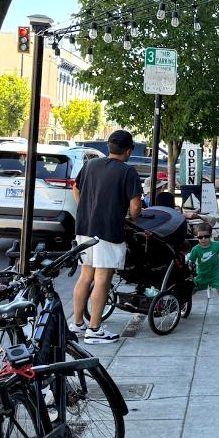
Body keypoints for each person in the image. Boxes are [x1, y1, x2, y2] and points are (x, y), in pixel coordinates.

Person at [70, 129, 143, 344]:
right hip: (109, 230)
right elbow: (135, 208)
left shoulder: (90, 165)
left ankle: (77, 323)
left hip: (84, 227)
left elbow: (75, 188)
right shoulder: (128, 172)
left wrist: (86, 208)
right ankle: (94, 329)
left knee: (85, 275)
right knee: (103, 278)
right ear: (128, 150)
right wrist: (130, 217)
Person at [187, 228, 219, 317]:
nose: (203, 239)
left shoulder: (216, 245)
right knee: (192, 289)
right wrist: (190, 273)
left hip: (215, 273)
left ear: (210, 236)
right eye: (200, 237)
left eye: (206, 236)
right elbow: (190, 262)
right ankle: (183, 304)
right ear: (197, 237)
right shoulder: (196, 249)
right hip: (202, 275)